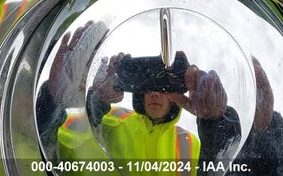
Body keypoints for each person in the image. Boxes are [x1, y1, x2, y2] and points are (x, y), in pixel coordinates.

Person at [36, 29, 240, 176]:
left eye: (162, 87)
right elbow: (47, 149)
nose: (154, 94)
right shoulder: (110, 119)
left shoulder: (189, 143)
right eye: (148, 87)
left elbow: (227, 169)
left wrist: (216, 124)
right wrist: (54, 100)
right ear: (139, 93)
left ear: (175, 94)